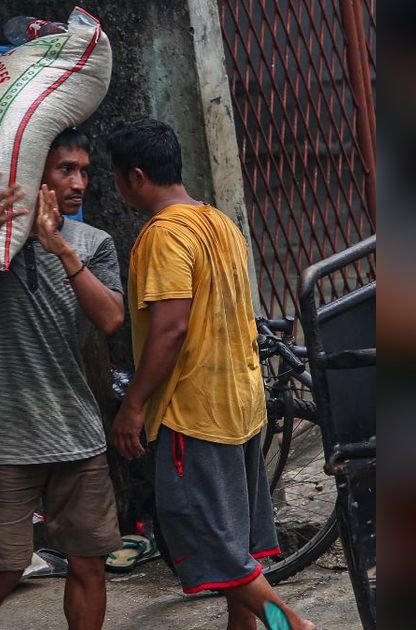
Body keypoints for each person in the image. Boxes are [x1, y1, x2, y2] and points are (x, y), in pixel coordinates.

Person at [107, 118, 314, 630]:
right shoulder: (219, 223)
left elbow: (170, 329)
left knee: (209, 544)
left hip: (194, 412)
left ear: (135, 176)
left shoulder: (164, 236)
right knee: (236, 547)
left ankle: (290, 624)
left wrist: (133, 406)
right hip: (240, 403)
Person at [0, 128, 127, 630]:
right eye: (65, 169)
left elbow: (111, 319)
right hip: (8, 439)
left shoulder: (93, 243)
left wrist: (61, 249)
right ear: (33, 172)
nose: (79, 182)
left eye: (85, 171)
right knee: (4, 569)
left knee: (90, 564)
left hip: (77, 434)